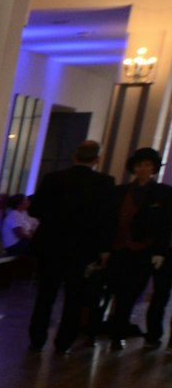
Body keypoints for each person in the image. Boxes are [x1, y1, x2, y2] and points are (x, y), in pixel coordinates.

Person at [28, 140, 115, 353]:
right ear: (96, 160)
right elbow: (107, 219)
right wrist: (104, 248)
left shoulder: (53, 178)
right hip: (83, 248)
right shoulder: (104, 183)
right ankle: (64, 342)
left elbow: (35, 209)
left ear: (74, 156)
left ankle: (37, 339)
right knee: (74, 298)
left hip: (52, 245)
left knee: (45, 296)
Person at [99, 147, 172, 348]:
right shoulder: (119, 192)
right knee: (119, 291)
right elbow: (109, 222)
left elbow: (166, 224)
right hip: (121, 248)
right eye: (140, 165)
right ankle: (116, 333)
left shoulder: (164, 193)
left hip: (146, 251)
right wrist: (105, 248)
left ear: (154, 168)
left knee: (135, 292)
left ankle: (124, 333)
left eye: (148, 165)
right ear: (134, 168)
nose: (143, 169)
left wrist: (160, 251)